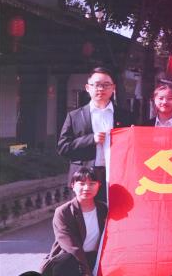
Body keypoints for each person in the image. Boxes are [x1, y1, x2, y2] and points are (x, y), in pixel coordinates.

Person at [57, 67, 135, 201]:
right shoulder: (74, 116)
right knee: (85, 214)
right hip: (84, 178)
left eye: (106, 85)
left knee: (117, 212)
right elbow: (63, 148)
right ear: (88, 88)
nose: (101, 89)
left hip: (117, 176)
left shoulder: (126, 116)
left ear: (113, 88)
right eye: (97, 85)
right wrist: (91, 139)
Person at [40, 167, 107, 276]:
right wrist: (86, 274)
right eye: (81, 183)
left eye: (92, 183)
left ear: (99, 185)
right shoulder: (63, 212)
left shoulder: (104, 209)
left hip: (95, 257)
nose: (87, 188)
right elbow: (71, 247)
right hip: (72, 259)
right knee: (66, 262)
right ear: (72, 185)